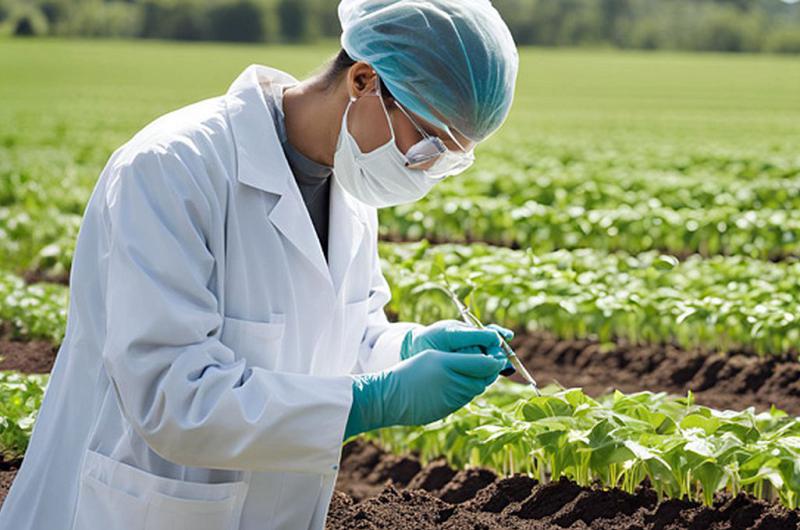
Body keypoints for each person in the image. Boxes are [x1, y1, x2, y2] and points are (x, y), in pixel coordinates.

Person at [0, 0, 519, 528]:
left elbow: (346, 335)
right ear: (364, 81)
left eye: (449, 158)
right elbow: (173, 396)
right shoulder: (171, 169)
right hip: (134, 509)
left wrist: (405, 347)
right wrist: (375, 400)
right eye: (427, 142)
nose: (427, 169)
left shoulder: (350, 185)